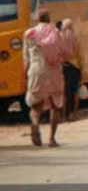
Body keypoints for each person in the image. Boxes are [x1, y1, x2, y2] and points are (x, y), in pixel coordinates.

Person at [22, 8, 69, 147]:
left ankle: (35, 124)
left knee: (36, 106)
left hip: (36, 70)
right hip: (53, 71)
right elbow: (63, 51)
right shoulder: (55, 32)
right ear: (48, 19)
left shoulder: (28, 33)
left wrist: (26, 75)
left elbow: (26, 58)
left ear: (36, 19)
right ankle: (52, 139)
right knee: (55, 105)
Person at [60, 19, 82, 121]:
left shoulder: (59, 38)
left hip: (64, 67)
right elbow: (80, 55)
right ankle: (75, 114)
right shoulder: (76, 38)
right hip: (75, 67)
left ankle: (64, 116)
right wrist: (82, 67)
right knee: (76, 91)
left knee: (65, 93)